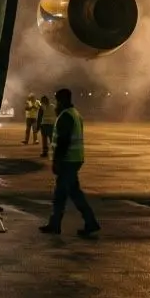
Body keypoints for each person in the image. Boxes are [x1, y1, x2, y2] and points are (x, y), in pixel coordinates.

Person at [40, 88, 101, 237]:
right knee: (75, 193)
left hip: (68, 160)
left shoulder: (66, 116)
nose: (56, 103)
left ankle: (55, 225)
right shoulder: (75, 114)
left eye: (57, 100)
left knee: (60, 194)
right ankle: (90, 222)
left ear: (62, 100)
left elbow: (63, 141)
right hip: (75, 158)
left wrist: (57, 161)